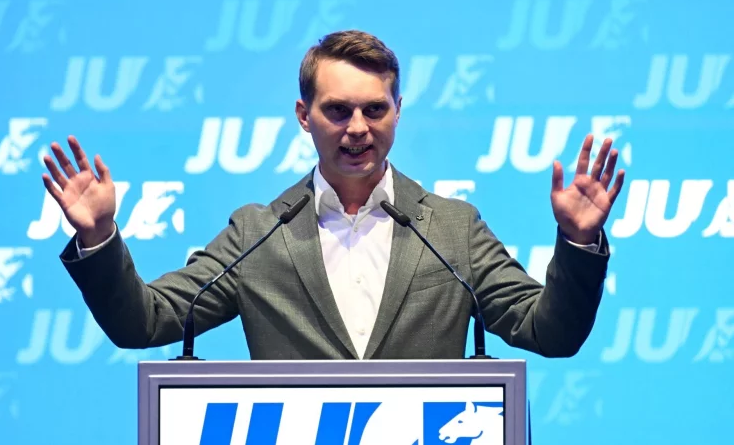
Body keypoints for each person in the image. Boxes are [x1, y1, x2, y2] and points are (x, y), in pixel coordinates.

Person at [42, 30, 625, 360]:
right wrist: (98, 236)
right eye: (337, 110)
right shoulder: (258, 232)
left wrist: (577, 242)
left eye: (375, 109)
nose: (357, 128)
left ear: (398, 113)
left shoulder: (452, 229)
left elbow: (551, 333)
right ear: (304, 116)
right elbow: (146, 322)